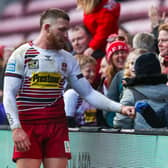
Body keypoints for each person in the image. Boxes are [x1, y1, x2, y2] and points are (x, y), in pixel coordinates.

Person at [3, 8, 135, 168]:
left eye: (67, 29)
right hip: (29, 124)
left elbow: (88, 92)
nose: (66, 35)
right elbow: (9, 95)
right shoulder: (21, 54)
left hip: (57, 126)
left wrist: (120, 108)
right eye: (62, 30)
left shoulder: (68, 59)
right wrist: (16, 128)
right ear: (46, 28)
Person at [113, 52, 168, 129]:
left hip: (139, 139)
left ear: (137, 71)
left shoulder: (131, 92)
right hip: (164, 139)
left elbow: (121, 121)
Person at [64, 55, 98, 127]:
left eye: (94, 71)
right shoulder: (72, 94)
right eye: (88, 71)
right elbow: (68, 122)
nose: (92, 74)